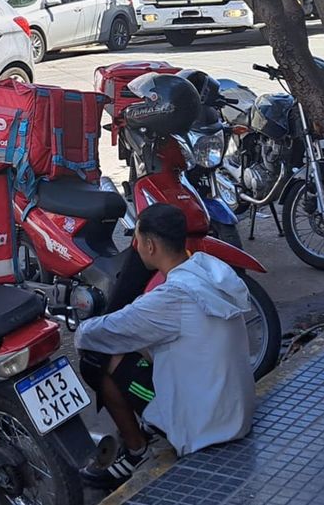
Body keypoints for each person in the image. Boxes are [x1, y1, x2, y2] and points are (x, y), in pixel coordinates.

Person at [74, 203, 255, 488]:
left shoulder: (172, 297)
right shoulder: (209, 269)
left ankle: (137, 451)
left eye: (136, 238)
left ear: (148, 244)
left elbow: (95, 334)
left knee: (96, 357)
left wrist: (80, 327)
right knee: (134, 345)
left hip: (203, 427)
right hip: (235, 411)